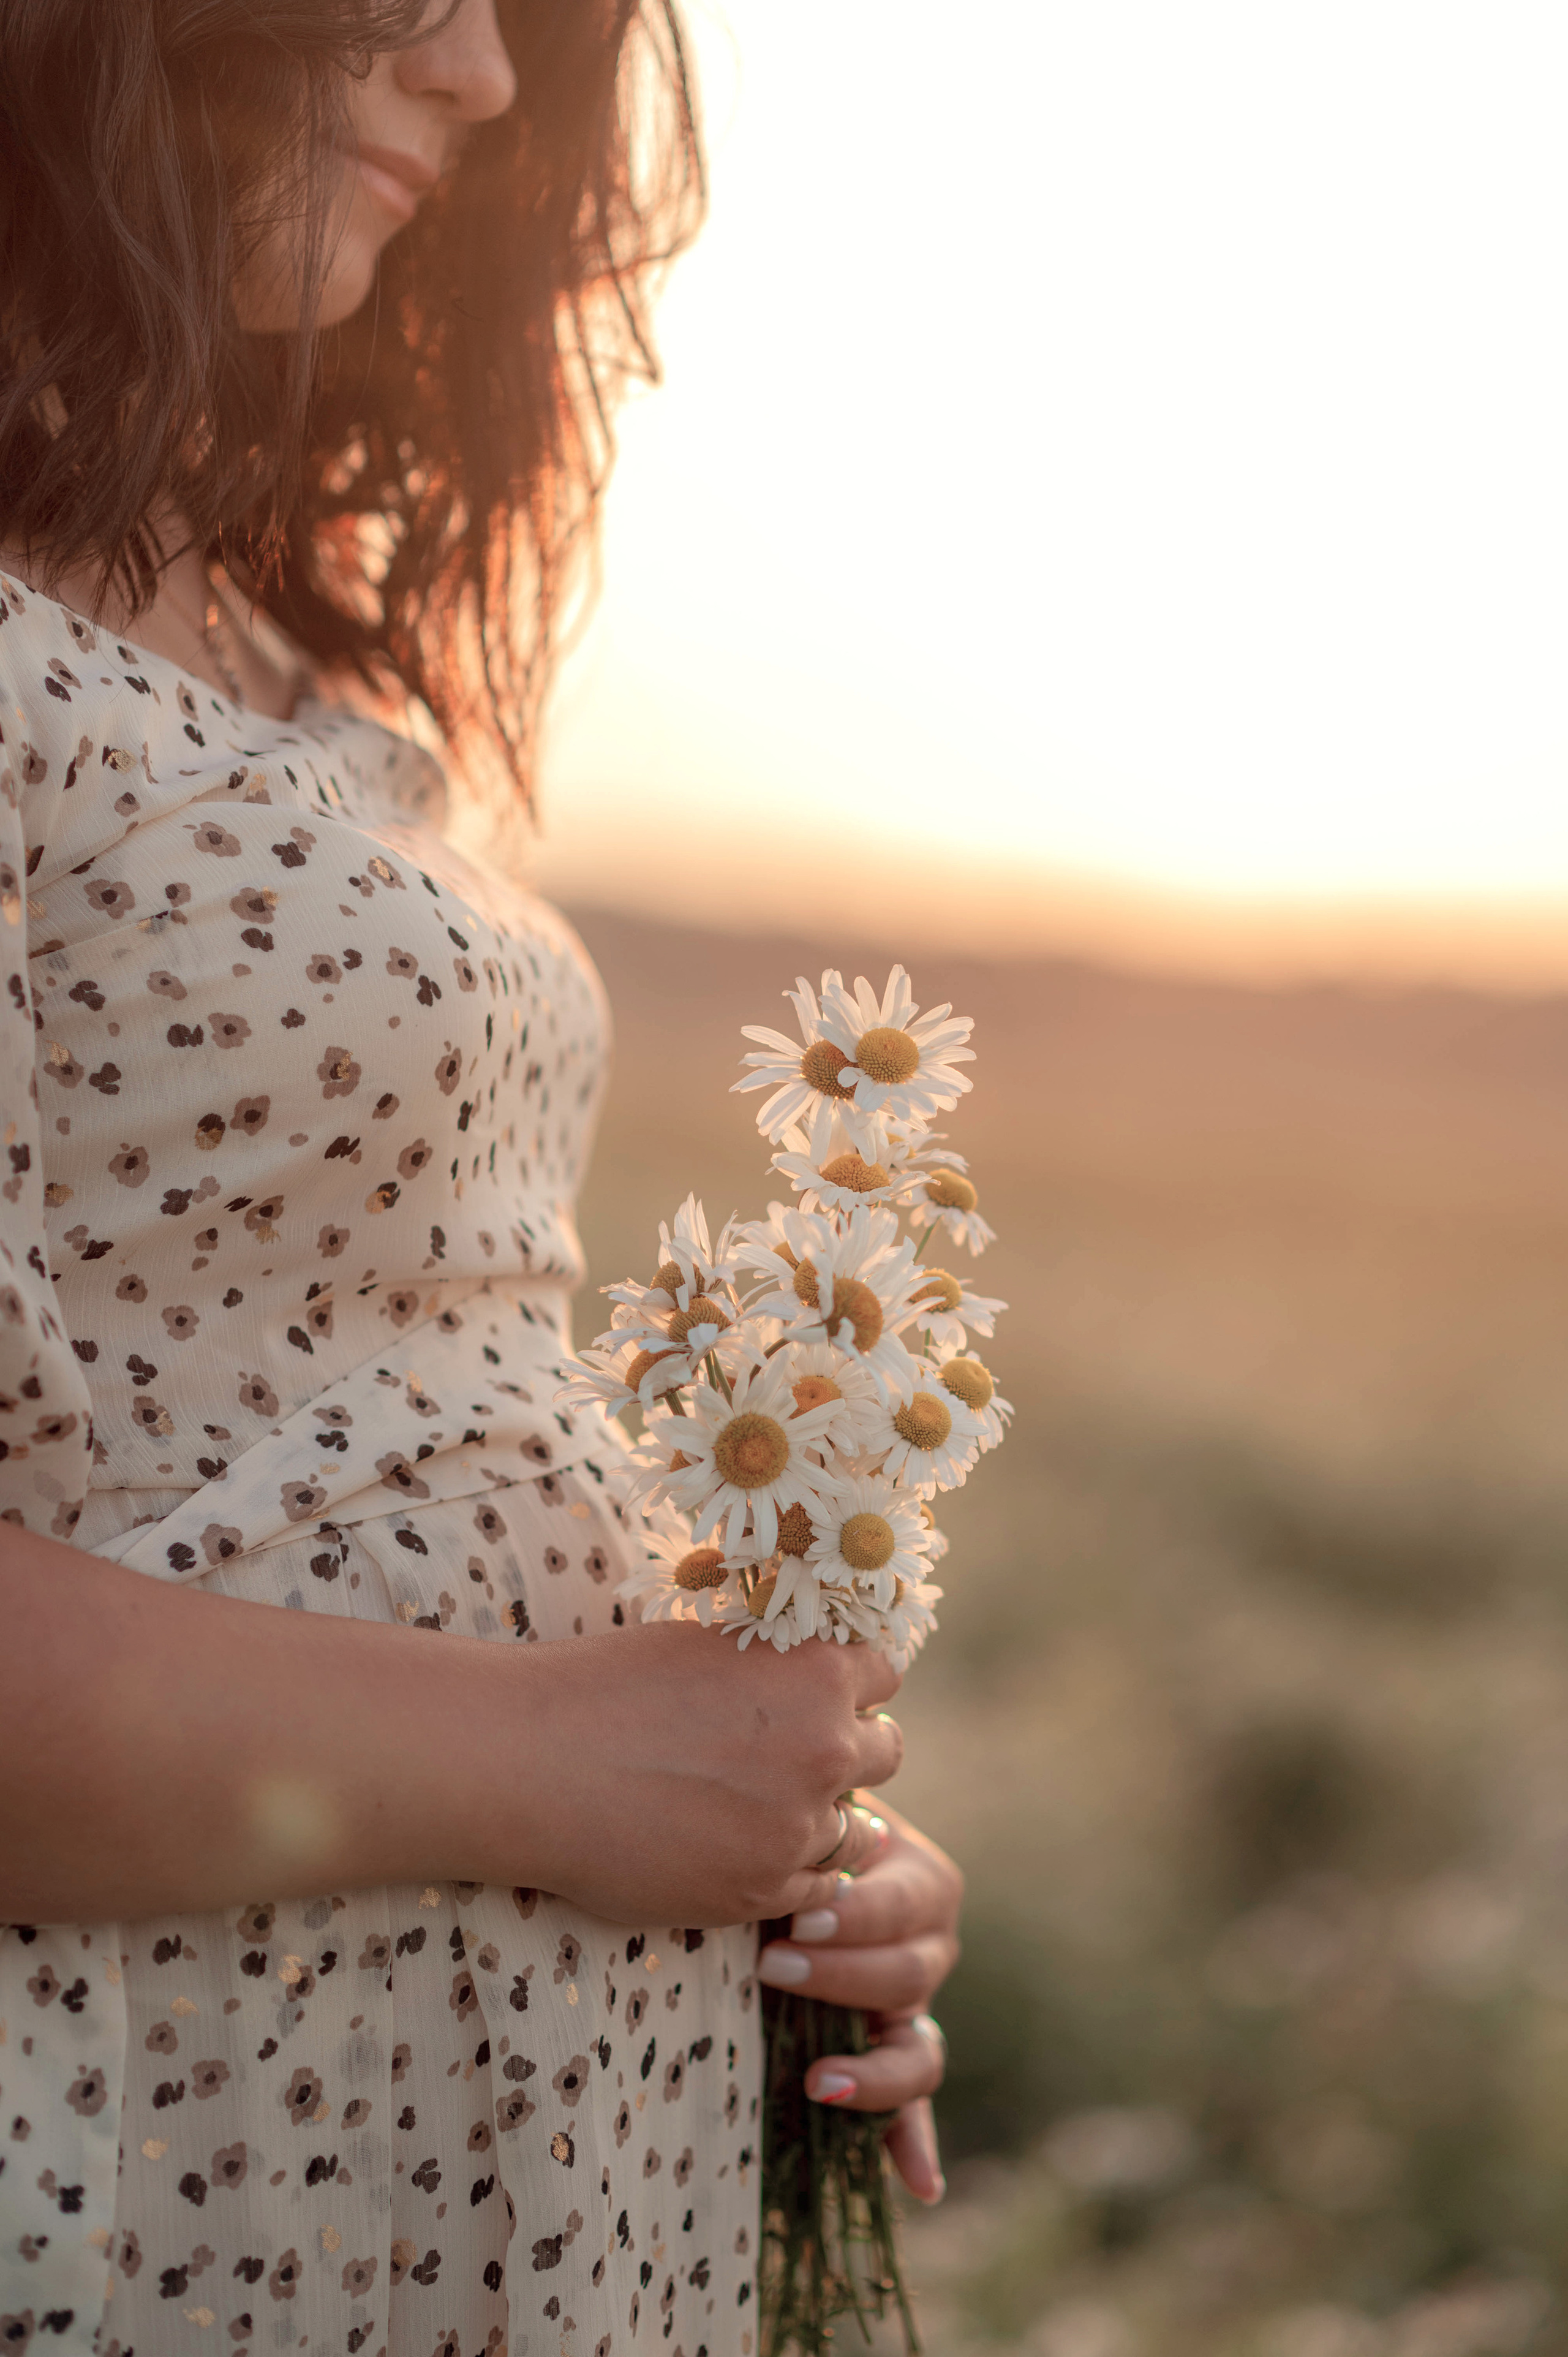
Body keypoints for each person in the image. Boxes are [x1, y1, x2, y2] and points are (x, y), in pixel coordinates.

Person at [0, 4, 962, 2353]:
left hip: (508, 2171)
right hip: (176, 2188)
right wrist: (559, 1758)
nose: (488, 77)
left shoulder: (229, 613)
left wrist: (762, 1847)